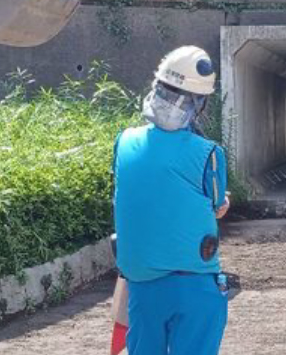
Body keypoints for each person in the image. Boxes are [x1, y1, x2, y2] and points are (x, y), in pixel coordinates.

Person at [113, 46, 230, 355]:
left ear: (157, 87)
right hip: (193, 284)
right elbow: (218, 205)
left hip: (139, 283)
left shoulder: (123, 141)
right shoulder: (209, 154)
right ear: (200, 104)